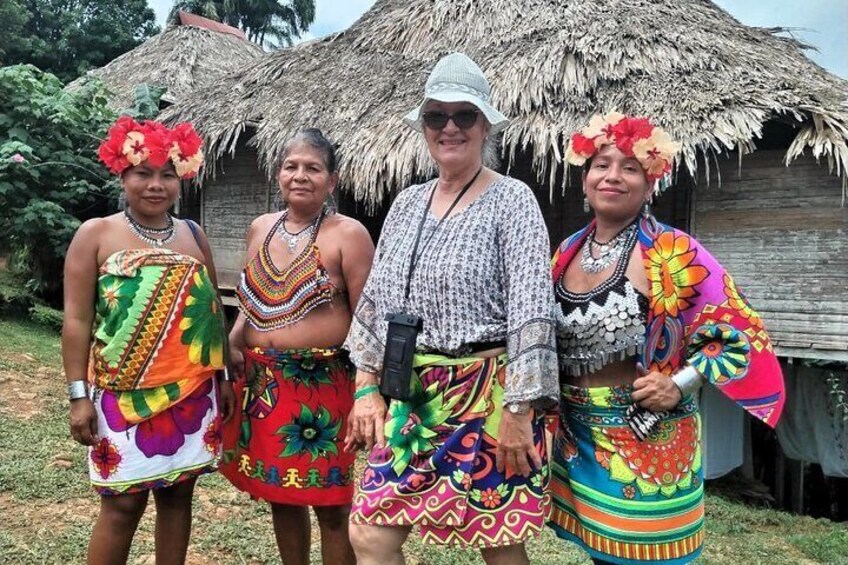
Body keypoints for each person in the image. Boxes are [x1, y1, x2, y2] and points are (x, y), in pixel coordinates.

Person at [344, 52, 558, 565]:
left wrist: (519, 410)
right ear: (423, 127)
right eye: (436, 116)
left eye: (464, 115)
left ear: (485, 125)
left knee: (498, 537)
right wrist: (366, 388)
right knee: (370, 532)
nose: (450, 127)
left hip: (488, 392)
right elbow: (378, 300)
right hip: (413, 392)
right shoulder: (406, 203)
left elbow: (532, 307)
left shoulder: (512, 199)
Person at [547, 112, 786, 564]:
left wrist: (679, 384)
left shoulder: (675, 252)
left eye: (630, 167)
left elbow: (738, 334)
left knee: (651, 557)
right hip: (578, 435)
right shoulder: (565, 252)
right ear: (585, 178)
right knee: (602, 554)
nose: (612, 176)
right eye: (601, 164)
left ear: (650, 182)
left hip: (650, 436)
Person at [62, 116, 234, 565]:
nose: (155, 185)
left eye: (167, 175)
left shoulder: (194, 235)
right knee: (121, 506)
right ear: (123, 174)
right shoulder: (95, 235)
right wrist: (78, 397)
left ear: (182, 177)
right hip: (121, 399)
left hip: (194, 394)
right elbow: (77, 321)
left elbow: (211, 311)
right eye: (143, 173)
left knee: (178, 499)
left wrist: (226, 380)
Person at [220, 128, 374, 565]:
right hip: (262, 382)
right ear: (278, 174)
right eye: (291, 166)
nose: (300, 176)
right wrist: (232, 344)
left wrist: (368, 389)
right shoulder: (259, 229)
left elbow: (369, 318)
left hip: (322, 387)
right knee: (281, 495)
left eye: (313, 168)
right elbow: (253, 300)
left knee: (331, 503)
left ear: (333, 180)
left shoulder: (349, 234)